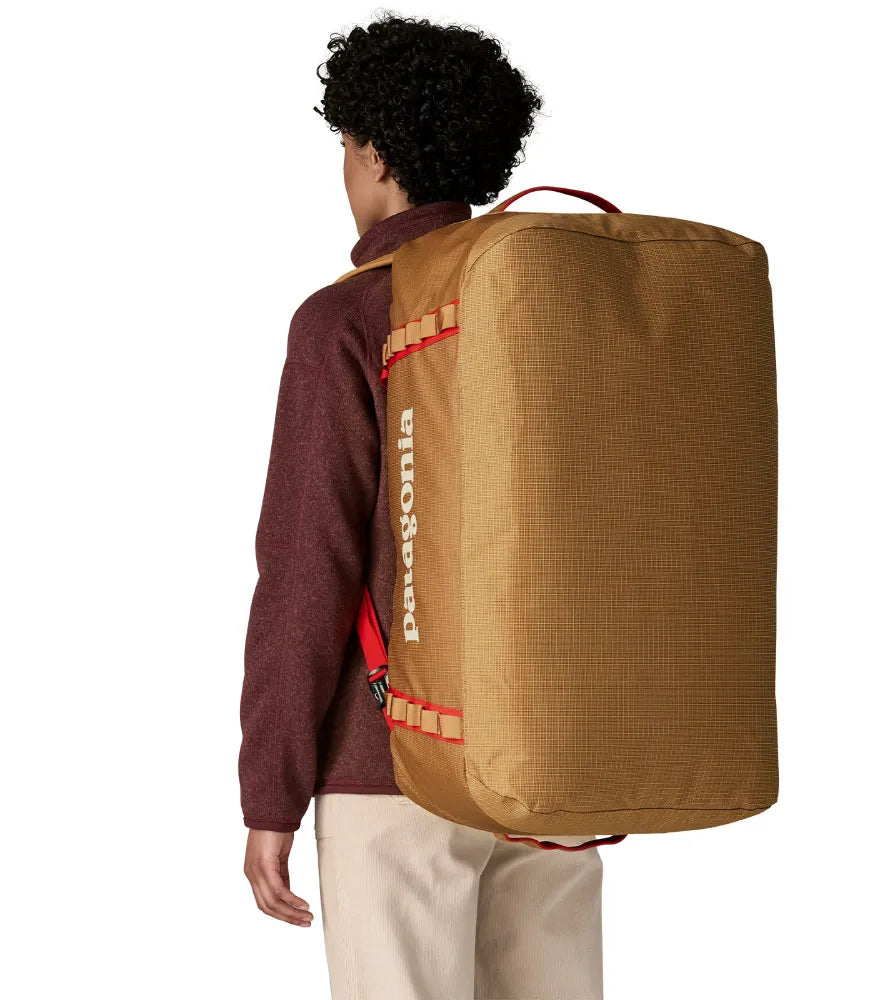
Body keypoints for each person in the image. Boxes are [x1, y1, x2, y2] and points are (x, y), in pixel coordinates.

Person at [239, 16, 604, 999]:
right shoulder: (566, 303)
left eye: (345, 146)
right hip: (556, 757)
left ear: (374, 154)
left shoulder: (348, 319)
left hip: (394, 763)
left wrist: (271, 791)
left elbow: (306, 570)